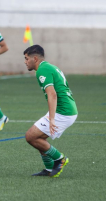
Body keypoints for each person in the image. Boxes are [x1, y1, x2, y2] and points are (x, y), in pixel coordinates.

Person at [23, 45, 78, 177]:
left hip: (63, 111)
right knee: (39, 138)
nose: (25, 62)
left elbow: (52, 94)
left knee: (30, 136)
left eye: (26, 58)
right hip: (66, 109)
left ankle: (60, 159)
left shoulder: (42, 70)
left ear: (35, 59)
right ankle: (49, 169)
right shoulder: (49, 67)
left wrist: (52, 119)